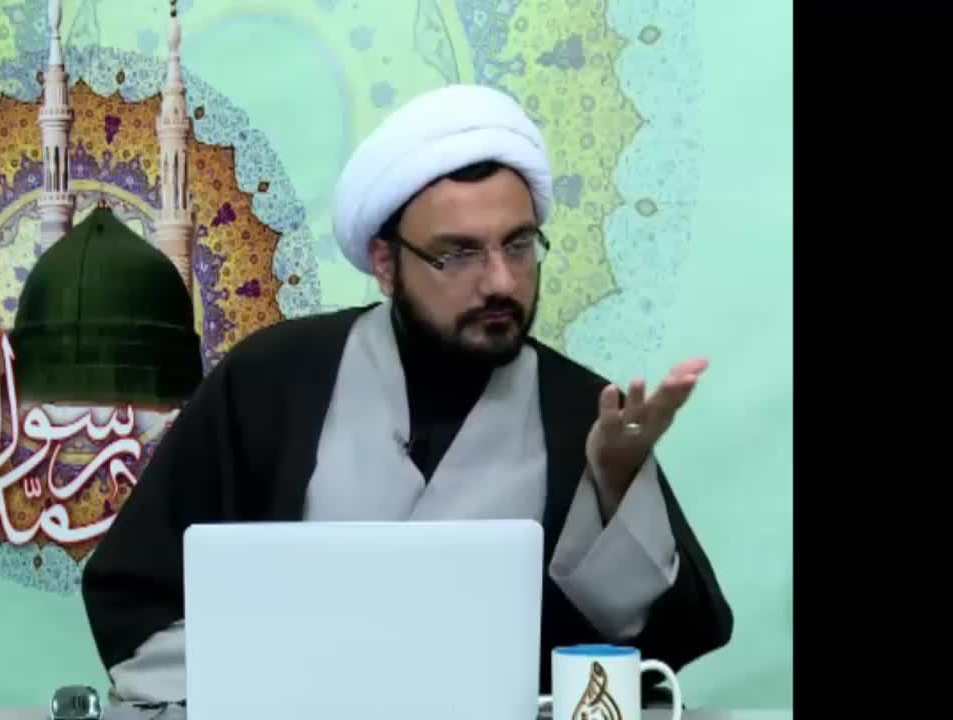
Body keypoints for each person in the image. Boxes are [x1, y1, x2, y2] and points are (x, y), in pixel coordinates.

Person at [81, 84, 733, 704]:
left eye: (518, 246)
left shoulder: (583, 415)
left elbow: (659, 652)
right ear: (386, 263)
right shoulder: (273, 381)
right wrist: (287, 687)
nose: (501, 282)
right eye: (458, 254)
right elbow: (138, 596)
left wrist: (615, 488)